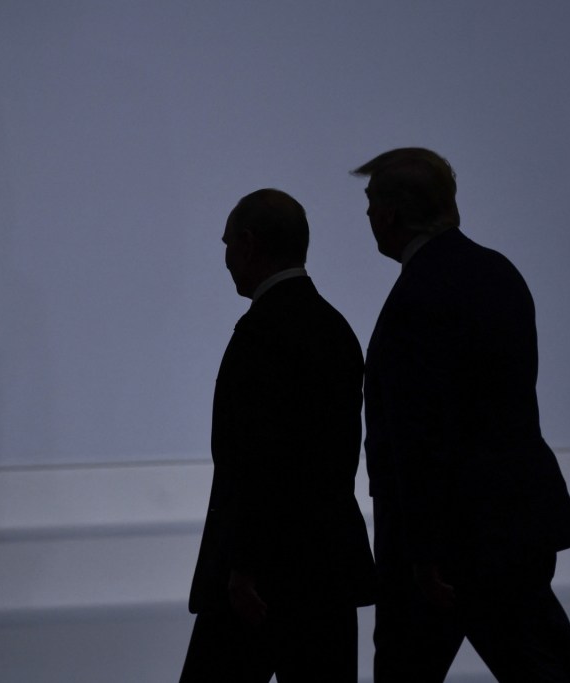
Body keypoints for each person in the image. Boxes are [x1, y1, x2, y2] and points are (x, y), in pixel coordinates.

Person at [354, 147, 570, 682]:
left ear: (390, 213)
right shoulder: (497, 272)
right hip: (515, 520)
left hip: (450, 540)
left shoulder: (417, 297)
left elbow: (421, 434)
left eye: (370, 204)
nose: (368, 217)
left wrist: (425, 547)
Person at [180, 189, 376, 683]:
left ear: (247, 244)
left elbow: (251, 461)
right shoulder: (336, 328)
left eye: (226, 245)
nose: (225, 260)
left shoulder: (259, 334)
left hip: (260, 577)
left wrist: (243, 564)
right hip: (327, 564)